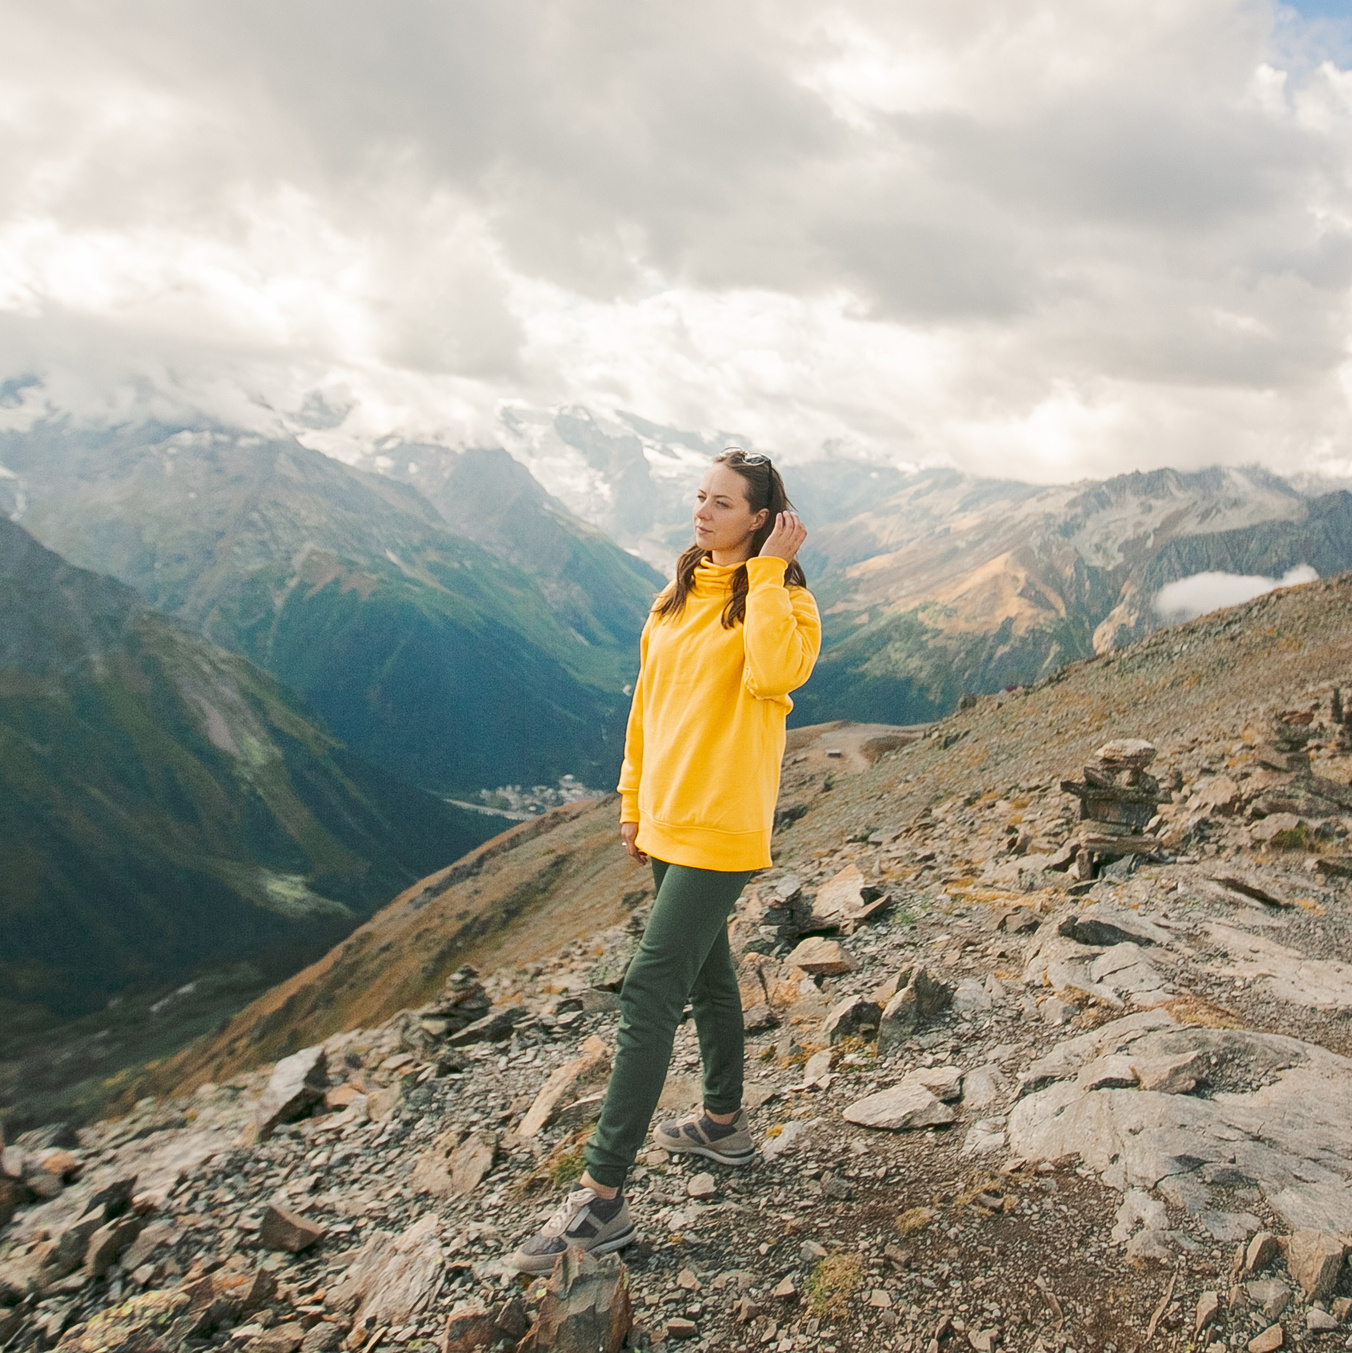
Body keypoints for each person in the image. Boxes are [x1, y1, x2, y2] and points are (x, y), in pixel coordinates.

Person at [509, 448, 821, 1274]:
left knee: (649, 988)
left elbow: (774, 675)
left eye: (722, 503)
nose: (703, 512)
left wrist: (766, 575)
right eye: (700, 497)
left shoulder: (783, 601)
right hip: (669, 822)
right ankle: (723, 1123)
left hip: (722, 828)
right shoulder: (675, 595)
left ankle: (603, 1198)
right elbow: (648, 708)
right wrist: (632, 802)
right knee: (708, 972)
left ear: (760, 518)